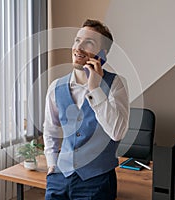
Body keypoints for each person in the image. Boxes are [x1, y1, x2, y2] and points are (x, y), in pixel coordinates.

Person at [43, 19, 129, 200]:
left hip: (97, 181)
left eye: (88, 42)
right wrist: (52, 165)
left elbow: (117, 132)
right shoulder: (55, 87)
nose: (78, 47)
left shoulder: (116, 84)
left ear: (102, 55)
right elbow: (51, 130)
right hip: (59, 177)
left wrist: (95, 89)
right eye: (77, 40)